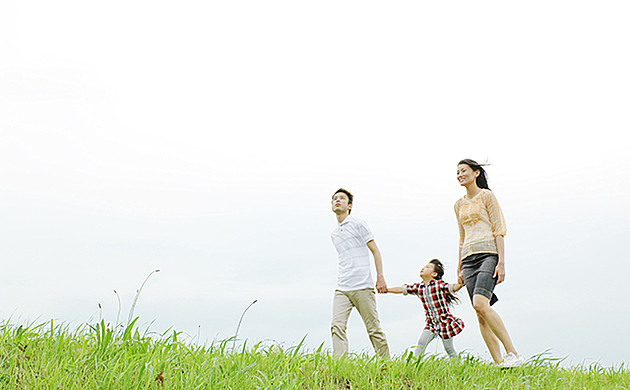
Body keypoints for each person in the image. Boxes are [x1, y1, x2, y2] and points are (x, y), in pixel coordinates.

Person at [454, 159, 525, 368]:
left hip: (488, 254)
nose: (459, 175)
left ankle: (513, 354)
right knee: (480, 313)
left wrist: (501, 262)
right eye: (457, 172)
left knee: (480, 304)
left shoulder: (487, 196)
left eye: (464, 171)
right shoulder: (458, 204)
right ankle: (499, 363)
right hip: (468, 258)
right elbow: (461, 236)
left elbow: (499, 229)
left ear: (476, 173)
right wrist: (459, 265)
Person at [330, 188, 390, 358]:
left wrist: (380, 277)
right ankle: (340, 365)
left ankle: (386, 365)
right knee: (337, 326)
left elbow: (375, 251)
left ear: (349, 205)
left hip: (362, 286)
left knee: (373, 329)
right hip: (342, 288)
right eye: (335, 199)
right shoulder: (334, 234)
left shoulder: (358, 224)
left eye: (342, 198)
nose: (337, 201)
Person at [387, 259, 464, 358]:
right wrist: (386, 290)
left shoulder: (439, 285)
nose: (423, 268)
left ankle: (457, 366)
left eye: (427, 267)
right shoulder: (419, 287)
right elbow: (402, 289)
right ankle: (415, 366)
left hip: (444, 322)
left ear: (434, 274)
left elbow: (454, 287)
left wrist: (462, 281)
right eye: (424, 266)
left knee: (448, 348)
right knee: (421, 343)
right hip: (431, 323)